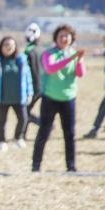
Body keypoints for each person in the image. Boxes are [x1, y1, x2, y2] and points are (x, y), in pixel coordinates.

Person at [32, 24, 86, 172]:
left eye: (67, 36)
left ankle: (71, 166)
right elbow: (51, 68)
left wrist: (79, 60)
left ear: (71, 39)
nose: (64, 38)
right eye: (61, 36)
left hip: (68, 98)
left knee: (70, 133)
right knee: (44, 131)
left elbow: (81, 74)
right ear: (55, 38)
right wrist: (72, 58)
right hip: (50, 97)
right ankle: (36, 165)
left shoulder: (74, 54)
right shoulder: (49, 53)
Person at [0, 36, 33, 150]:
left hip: (18, 96)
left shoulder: (21, 60)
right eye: (6, 45)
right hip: (2, 96)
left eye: (11, 45)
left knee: (23, 118)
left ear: (15, 47)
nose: (8, 47)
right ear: (1, 47)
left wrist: (29, 92)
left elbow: (28, 78)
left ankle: (18, 138)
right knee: (2, 120)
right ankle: (1, 141)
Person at [24, 22, 44, 126]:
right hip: (45, 86)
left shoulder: (28, 51)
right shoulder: (44, 50)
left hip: (33, 86)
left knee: (24, 111)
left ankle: (42, 124)